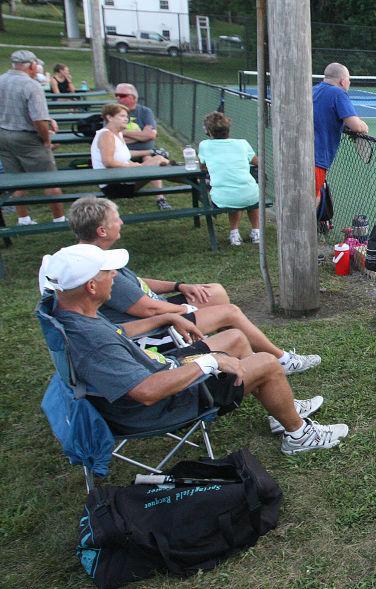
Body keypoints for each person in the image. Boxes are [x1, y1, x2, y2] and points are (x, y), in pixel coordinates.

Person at [41, 244, 349, 454]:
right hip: (161, 404)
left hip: (156, 368)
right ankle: (298, 436)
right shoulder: (92, 341)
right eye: (107, 273)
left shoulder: (69, 314)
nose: (114, 278)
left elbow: (119, 331)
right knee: (267, 363)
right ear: (91, 287)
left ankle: (281, 410)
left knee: (236, 340)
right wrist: (210, 363)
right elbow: (147, 392)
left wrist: (168, 314)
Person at [66, 196, 322, 375]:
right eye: (116, 219)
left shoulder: (93, 256)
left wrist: (180, 285)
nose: (121, 222)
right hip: (155, 328)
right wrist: (184, 312)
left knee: (215, 291)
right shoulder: (98, 270)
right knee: (230, 311)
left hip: (158, 312)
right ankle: (281, 359)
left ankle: (219, 343)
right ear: (102, 230)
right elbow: (150, 311)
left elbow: (137, 283)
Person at [0, 49, 66, 226]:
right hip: (27, 138)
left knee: (16, 179)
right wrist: (46, 139)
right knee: (50, 180)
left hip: (3, 136)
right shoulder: (31, 85)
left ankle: (23, 219)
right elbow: (38, 119)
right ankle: (59, 219)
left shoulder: (1, 80)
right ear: (31, 65)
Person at [90, 103, 171, 209]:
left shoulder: (118, 134)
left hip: (124, 178)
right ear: (109, 117)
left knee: (158, 160)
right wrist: (131, 166)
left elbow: (126, 154)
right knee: (158, 161)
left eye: (127, 116)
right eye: (122, 116)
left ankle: (189, 178)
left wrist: (150, 152)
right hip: (114, 186)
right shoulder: (106, 135)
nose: (126, 119)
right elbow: (108, 162)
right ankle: (191, 179)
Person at [198, 111, 261, 245]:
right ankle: (256, 232)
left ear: (208, 131)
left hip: (222, 197)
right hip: (250, 194)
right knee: (249, 189)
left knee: (233, 192)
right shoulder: (242, 143)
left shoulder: (204, 145)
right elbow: (258, 162)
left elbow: (201, 167)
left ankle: (234, 234)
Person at [313, 63, 369, 205]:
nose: (349, 83)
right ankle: (308, 227)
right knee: (312, 198)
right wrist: (363, 125)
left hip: (303, 153)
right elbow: (356, 125)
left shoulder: (314, 90)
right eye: (349, 79)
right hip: (317, 157)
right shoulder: (339, 93)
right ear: (343, 81)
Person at [113, 83, 159, 158]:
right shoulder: (112, 113)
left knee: (159, 160)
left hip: (146, 155)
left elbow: (150, 135)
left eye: (122, 95)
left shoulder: (145, 112)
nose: (118, 98)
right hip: (121, 154)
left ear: (133, 97)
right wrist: (143, 137)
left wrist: (123, 133)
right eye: (116, 95)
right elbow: (113, 140)